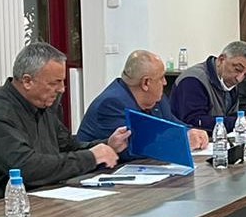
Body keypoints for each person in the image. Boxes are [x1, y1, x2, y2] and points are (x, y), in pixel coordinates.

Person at [0, 43, 130, 202]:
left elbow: (68, 147)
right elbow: (27, 168)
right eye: (54, 83)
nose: (62, 89)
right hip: (4, 209)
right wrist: (91, 157)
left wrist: (107, 145)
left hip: (48, 197)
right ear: (27, 81)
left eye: (62, 81)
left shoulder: (44, 106)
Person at [79, 50, 209, 159]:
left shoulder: (156, 99)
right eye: (161, 78)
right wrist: (182, 141)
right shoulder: (111, 104)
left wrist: (192, 132)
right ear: (146, 83)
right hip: (103, 175)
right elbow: (135, 147)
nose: (165, 83)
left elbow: (174, 125)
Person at [171, 41, 246, 133]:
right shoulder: (193, 80)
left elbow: (229, 116)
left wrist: (243, 119)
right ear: (221, 60)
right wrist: (237, 122)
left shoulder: (230, 83)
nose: (239, 79)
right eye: (237, 69)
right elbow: (195, 122)